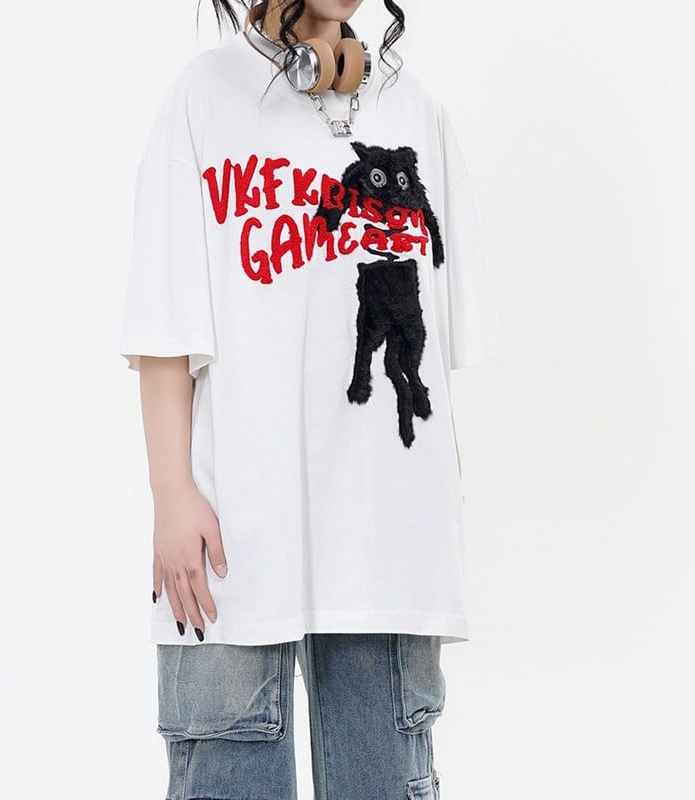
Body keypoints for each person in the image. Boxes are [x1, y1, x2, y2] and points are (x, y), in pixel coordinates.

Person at [118, 0, 507, 797]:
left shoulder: (414, 108)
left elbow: (438, 342)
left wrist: (438, 503)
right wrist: (171, 493)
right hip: (234, 530)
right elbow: (162, 326)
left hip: (385, 541)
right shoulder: (202, 97)